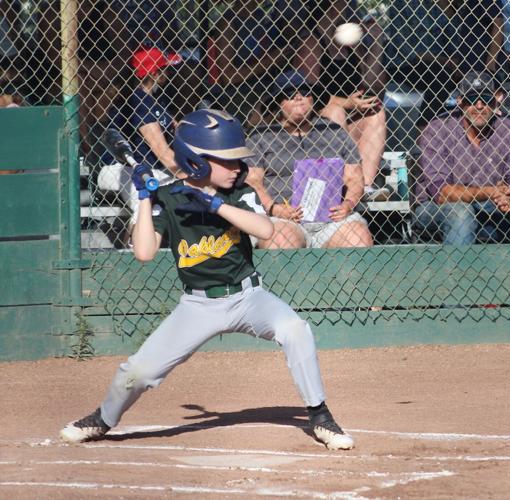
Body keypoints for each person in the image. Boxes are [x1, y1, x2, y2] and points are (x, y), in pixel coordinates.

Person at [59, 108, 355, 451]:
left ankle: (320, 417)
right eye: (225, 161)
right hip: (197, 305)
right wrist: (144, 198)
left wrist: (213, 203)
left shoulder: (237, 191)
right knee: (138, 372)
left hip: (249, 297)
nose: (235, 168)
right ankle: (103, 418)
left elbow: (266, 229)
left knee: (296, 330)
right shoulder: (167, 198)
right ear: (195, 160)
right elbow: (143, 252)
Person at [413, 71, 510, 245]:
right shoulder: (437, 129)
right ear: (460, 101)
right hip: (436, 209)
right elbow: (443, 193)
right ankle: (457, 272)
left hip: (494, 205)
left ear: (498, 99)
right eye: (471, 99)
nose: (479, 105)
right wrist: (490, 192)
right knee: (461, 212)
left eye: (486, 99)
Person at [246, 71, 373, 249]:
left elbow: (354, 178)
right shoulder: (262, 136)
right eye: (289, 94)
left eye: (305, 91)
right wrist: (274, 208)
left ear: (313, 100)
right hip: (284, 218)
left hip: (331, 219)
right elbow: (252, 181)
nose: (298, 97)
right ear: (278, 103)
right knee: (281, 240)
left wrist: (348, 204)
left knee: (358, 238)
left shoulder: (334, 131)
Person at [272, 0, 386, 191]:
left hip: (348, 118)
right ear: (332, 8)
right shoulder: (312, 41)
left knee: (376, 113)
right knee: (336, 112)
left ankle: (364, 186)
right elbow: (306, 92)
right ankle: (339, 185)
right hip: (317, 120)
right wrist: (347, 103)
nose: (352, 9)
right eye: (345, 5)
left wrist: (376, 45)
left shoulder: (350, 43)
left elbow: (374, 87)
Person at [103, 46, 184, 229]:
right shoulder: (139, 101)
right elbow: (161, 151)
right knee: (147, 204)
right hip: (121, 168)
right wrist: (191, 176)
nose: (169, 73)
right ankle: (134, 248)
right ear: (155, 73)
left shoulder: (156, 99)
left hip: (148, 169)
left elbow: (177, 128)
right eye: (165, 68)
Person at [386, 0, 462, 127]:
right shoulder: (400, 4)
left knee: (465, 72)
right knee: (442, 75)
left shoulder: (444, 4)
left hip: (442, 64)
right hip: (405, 65)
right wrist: (447, 62)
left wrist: (448, 9)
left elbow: (455, 42)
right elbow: (406, 50)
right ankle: (424, 127)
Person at [209, 0, 286, 126]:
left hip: (268, 86)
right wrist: (271, 61)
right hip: (240, 93)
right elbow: (228, 77)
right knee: (269, 113)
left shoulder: (261, 16)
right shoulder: (228, 22)